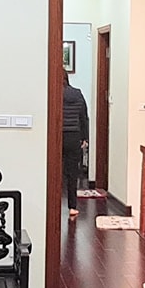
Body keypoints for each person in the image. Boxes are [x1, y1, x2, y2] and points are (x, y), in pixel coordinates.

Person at [61, 70, 90, 220]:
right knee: (72, 174)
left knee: (54, 172)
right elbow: (83, 117)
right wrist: (85, 137)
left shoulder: (54, 94)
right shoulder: (78, 94)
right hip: (74, 137)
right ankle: (72, 207)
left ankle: (52, 205)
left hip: (57, 137)